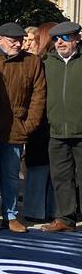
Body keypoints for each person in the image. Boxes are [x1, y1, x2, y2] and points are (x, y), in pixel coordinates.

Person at [0, 22, 45, 233]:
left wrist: (29, 124)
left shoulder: (32, 62)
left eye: (21, 40)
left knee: (10, 174)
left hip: (16, 126)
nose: (18, 44)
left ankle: (11, 215)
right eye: (13, 40)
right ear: (0, 40)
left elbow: (38, 96)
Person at [41, 21, 82, 233]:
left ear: (77, 39)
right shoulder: (48, 62)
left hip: (81, 130)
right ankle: (65, 218)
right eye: (56, 39)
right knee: (61, 177)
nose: (60, 42)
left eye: (65, 38)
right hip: (56, 131)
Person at [23, 22, 59, 222]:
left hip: (47, 122)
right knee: (41, 167)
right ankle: (39, 210)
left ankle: (41, 210)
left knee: (48, 168)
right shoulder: (37, 63)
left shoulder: (45, 63)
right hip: (40, 122)